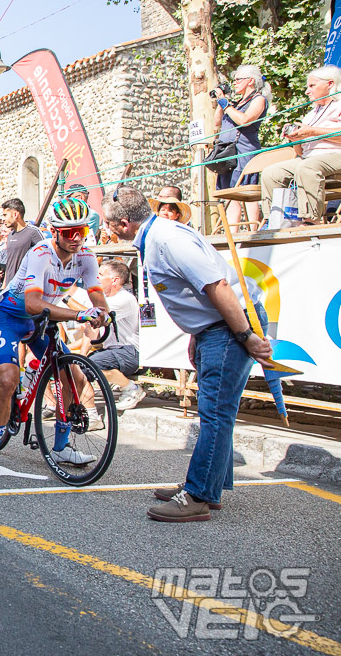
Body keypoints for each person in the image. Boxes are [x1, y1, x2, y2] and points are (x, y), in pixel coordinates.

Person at [104, 187, 273, 522]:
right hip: (218, 327)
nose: (106, 232)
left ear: (124, 223)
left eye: (108, 226)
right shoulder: (158, 237)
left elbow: (218, 286)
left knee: (214, 413)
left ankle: (198, 495)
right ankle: (209, 485)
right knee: (216, 411)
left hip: (230, 324)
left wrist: (245, 336)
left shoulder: (167, 240)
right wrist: (200, 334)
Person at [0, 197, 110, 475]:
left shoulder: (86, 256)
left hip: (43, 320)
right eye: (68, 233)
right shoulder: (40, 254)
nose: (76, 238)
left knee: (73, 375)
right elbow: (32, 304)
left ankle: (61, 445)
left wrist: (102, 312)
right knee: (7, 378)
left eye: (82, 231)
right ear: (54, 231)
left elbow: (96, 292)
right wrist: (79, 315)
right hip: (11, 316)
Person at [261, 64, 341, 224]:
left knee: (307, 167)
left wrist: (311, 131)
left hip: (335, 156)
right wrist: (295, 138)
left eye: (312, 85)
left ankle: (310, 220)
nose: (307, 91)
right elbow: (300, 151)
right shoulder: (311, 113)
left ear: (330, 84)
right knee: (271, 173)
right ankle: (275, 220)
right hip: (310, 158)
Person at [80, 259, 146, 410]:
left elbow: (92, 315)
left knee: (92, 363)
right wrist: (82, 354)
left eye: (101, 274)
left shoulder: (123, 299)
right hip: (113, 351)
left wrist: (68, 298)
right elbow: (91, 330)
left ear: (114, 280)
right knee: (81, 366)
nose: (96, 278)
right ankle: (89, 413)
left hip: (131, 351)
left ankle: (132, 389)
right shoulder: (106, 301)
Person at [212, 64, 270, 228]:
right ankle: (233, 232)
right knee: (229, 193)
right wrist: (221, 102)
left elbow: (244, 120)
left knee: (246, 190)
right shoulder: (235, 103)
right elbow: (217, 122)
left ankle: (254, 230)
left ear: (250, 81)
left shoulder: (258, 99)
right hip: (226, 152)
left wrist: (227, 105)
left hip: (244, 150)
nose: (235, 83)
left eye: (238, 79)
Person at [0, 198, 44, 289]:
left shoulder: (33, 232)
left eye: (5, 215)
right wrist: (4, 287)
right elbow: (10, 263)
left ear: (15, 214)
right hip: (10, 289)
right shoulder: (10, 235)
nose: (3, 219)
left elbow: (46, 258)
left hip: (26, 289)